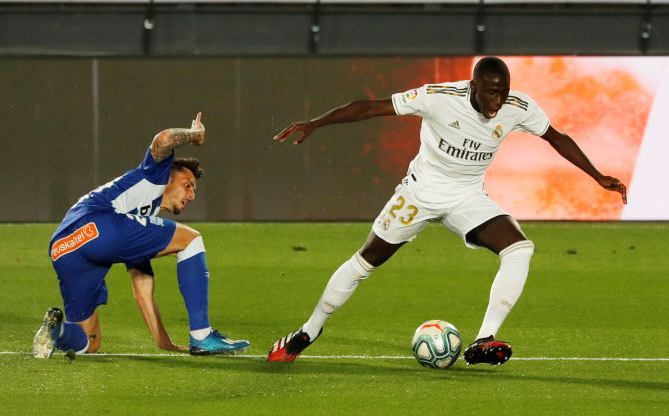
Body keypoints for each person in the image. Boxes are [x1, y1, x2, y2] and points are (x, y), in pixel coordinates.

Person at [267, 57, 627, 365]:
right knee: (365, 262)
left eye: (502, 92)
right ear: (473, 85)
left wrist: (597, 176)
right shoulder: (438, 97)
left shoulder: (519, 107)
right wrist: (316, 122)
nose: (497, 100)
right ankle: (307, 332)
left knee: (519, 249)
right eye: (490, 92)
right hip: (419, 194)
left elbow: (556, 137)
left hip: (466, 198)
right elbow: (371, 106)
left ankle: (484, 339)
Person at [33, 112, 250, 358]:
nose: (192, 194)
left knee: (88, 344)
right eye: (187, 184)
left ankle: (56, 332)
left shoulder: (139, 223)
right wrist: (194, 135)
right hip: (100, 223)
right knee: (191, 239)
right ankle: (202, 335)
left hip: (64, 247)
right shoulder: (155, 174)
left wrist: (164, 343)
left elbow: (143, 291)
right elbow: (164, 139)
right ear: (169, 173)